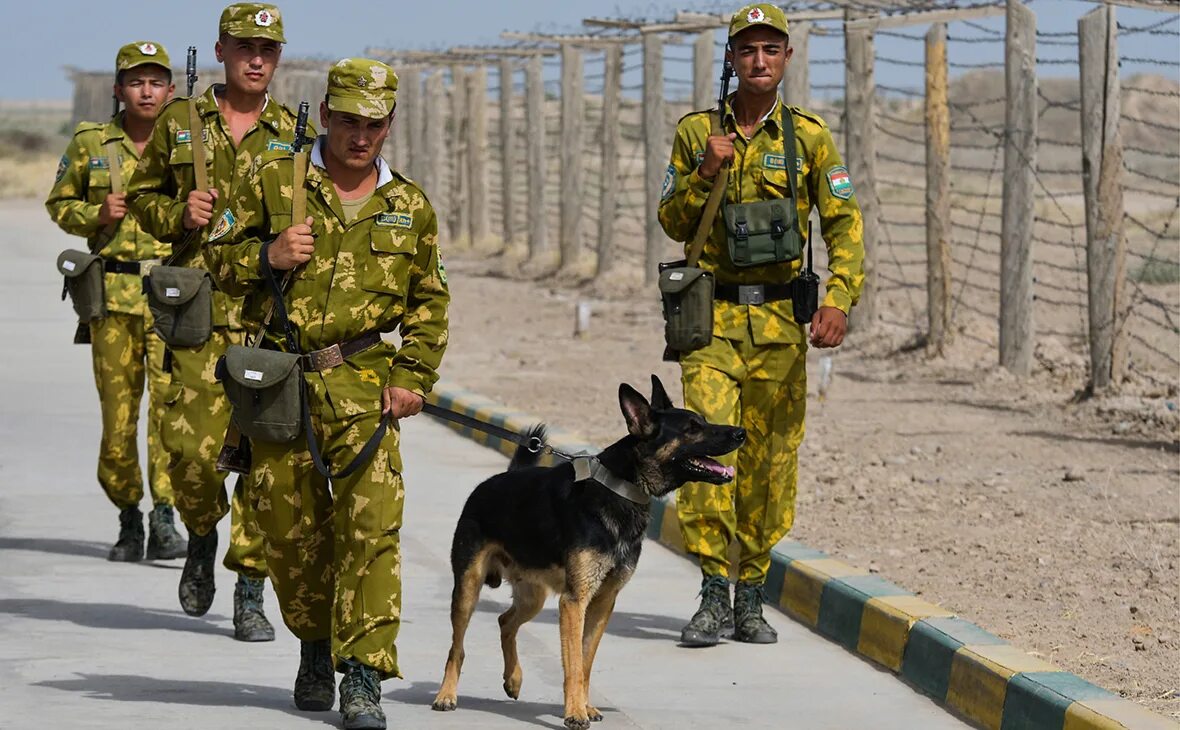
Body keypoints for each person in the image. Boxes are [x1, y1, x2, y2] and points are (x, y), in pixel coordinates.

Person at [205, 58, 449, 729]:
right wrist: (266, 257)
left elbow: (428, 303)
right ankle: (315, 643)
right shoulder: (274, 181)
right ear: (328, 114)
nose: (359, 135)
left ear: (390, 124)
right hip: (283, 389)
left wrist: (413, 376)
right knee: (288, 536)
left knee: (371, 534)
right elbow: (213, 259)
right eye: (348, 121)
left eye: (374, 124)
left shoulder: (409, 206)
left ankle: (364, 674)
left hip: (367, 389)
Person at [658, 3, 865, 647]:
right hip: (711, 320)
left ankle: (752, 596)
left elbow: (844, 223)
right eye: (746, 50)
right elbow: (671, 219)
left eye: (770, 49)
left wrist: (840, 297)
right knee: (704, 449)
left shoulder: (808, 137)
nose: (758, 61)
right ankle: (712, 595)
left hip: (779, 322)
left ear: (787, 58)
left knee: (771, 460)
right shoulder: (698, 132)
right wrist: (705, 173)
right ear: (730, 58)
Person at [124, 2, 304, 642]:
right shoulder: (180, 121)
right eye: (245, 46)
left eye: (269, 49)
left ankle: (249, 590)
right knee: (192, 457)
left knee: (262, 464)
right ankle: (201, 535)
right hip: (197, 316)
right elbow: (140, 199)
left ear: (278, 58)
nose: (257, 59)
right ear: (222, 50)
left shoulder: (294, 134)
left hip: (266, 318)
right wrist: (179, 214)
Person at [46, 41, 187, 563]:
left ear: (171, 90)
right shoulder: (92, 142)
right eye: (135, 81)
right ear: (118, 88)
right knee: (119, 419)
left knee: (170, 417)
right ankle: (129, 514)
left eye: (156, 82)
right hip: (111, 300)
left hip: (173, 301)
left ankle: (165, 517)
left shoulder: (186, 143)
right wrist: (96, 216)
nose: (146, 91)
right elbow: (59, 203)